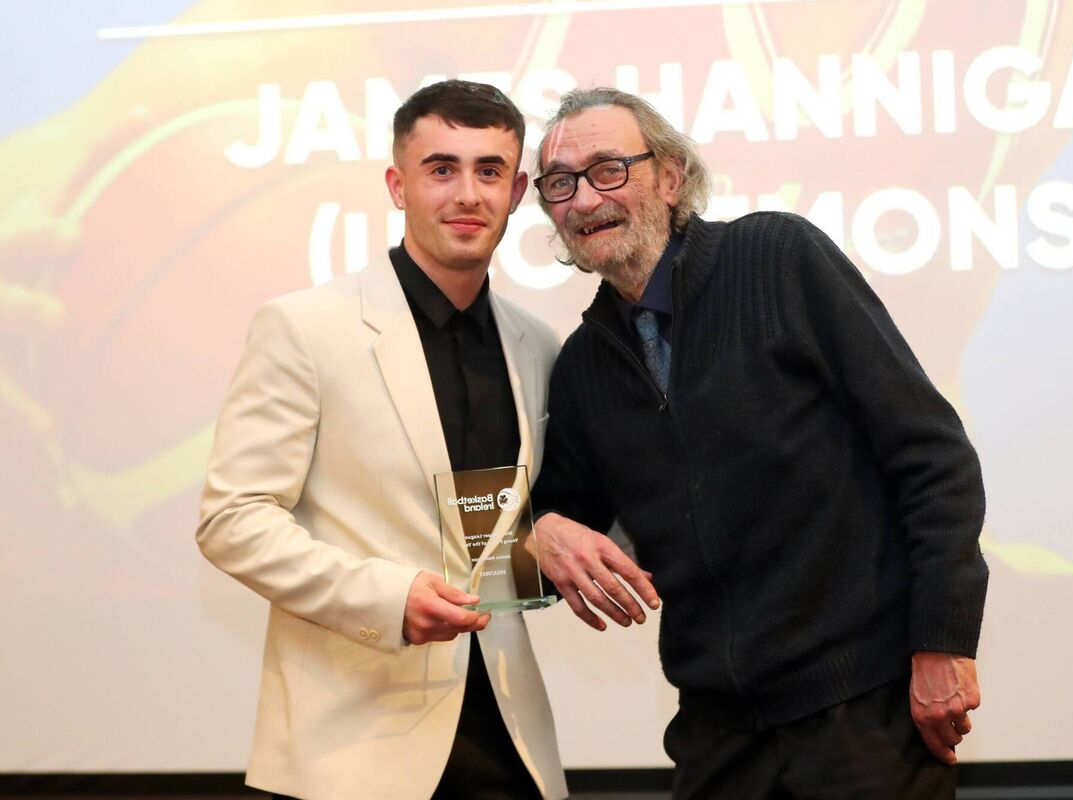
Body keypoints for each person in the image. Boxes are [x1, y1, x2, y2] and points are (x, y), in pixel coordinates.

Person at [529, 87, 989, 799]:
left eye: (609, 168)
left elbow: (931, 455)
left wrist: (945, 640)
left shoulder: (776, 256)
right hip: (717, 737)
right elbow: (561, 521)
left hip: (863, 717)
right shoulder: (586, 364)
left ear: (672, 175)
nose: (585, 200)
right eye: (561, 182)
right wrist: (543, 528)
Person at [197, 80, 566, 800]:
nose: (467, 193)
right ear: (398, 184)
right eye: (441, 168)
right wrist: (387, 597)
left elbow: (513, 534)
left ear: (518, 190)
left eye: (489, 170)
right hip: (350, 751)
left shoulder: (538, 345)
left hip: (511, 746)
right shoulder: (304, 327)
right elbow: (231, 520)